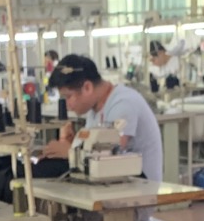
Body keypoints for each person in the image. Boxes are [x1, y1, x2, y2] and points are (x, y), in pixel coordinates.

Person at [40, 54, 163, 182]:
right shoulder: (95, 110)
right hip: (114, 184)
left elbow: (109, 157)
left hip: (141, 188)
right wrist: (72, 145)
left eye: (68, 97)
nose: (67, 106)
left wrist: (70, 152)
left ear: (87, 87)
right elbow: (91, 149)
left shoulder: (124, 103)